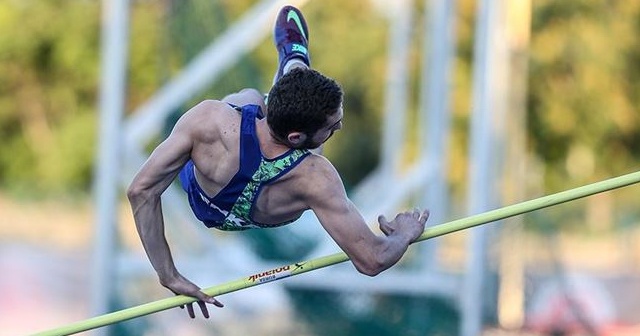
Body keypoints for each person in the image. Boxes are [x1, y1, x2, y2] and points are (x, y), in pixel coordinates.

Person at [127, 5, 429, 319]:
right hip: (266, 206)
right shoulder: (316, 177)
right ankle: (293, 67)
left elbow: (141, 191)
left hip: (206, 192)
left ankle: (292, 69)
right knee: (287, 132)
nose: (339, 128)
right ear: (296, 137)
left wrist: (168, 274)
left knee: (246, 100)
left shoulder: (210, 121)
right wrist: (404, 234)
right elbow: (372, 259)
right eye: (332, 126)